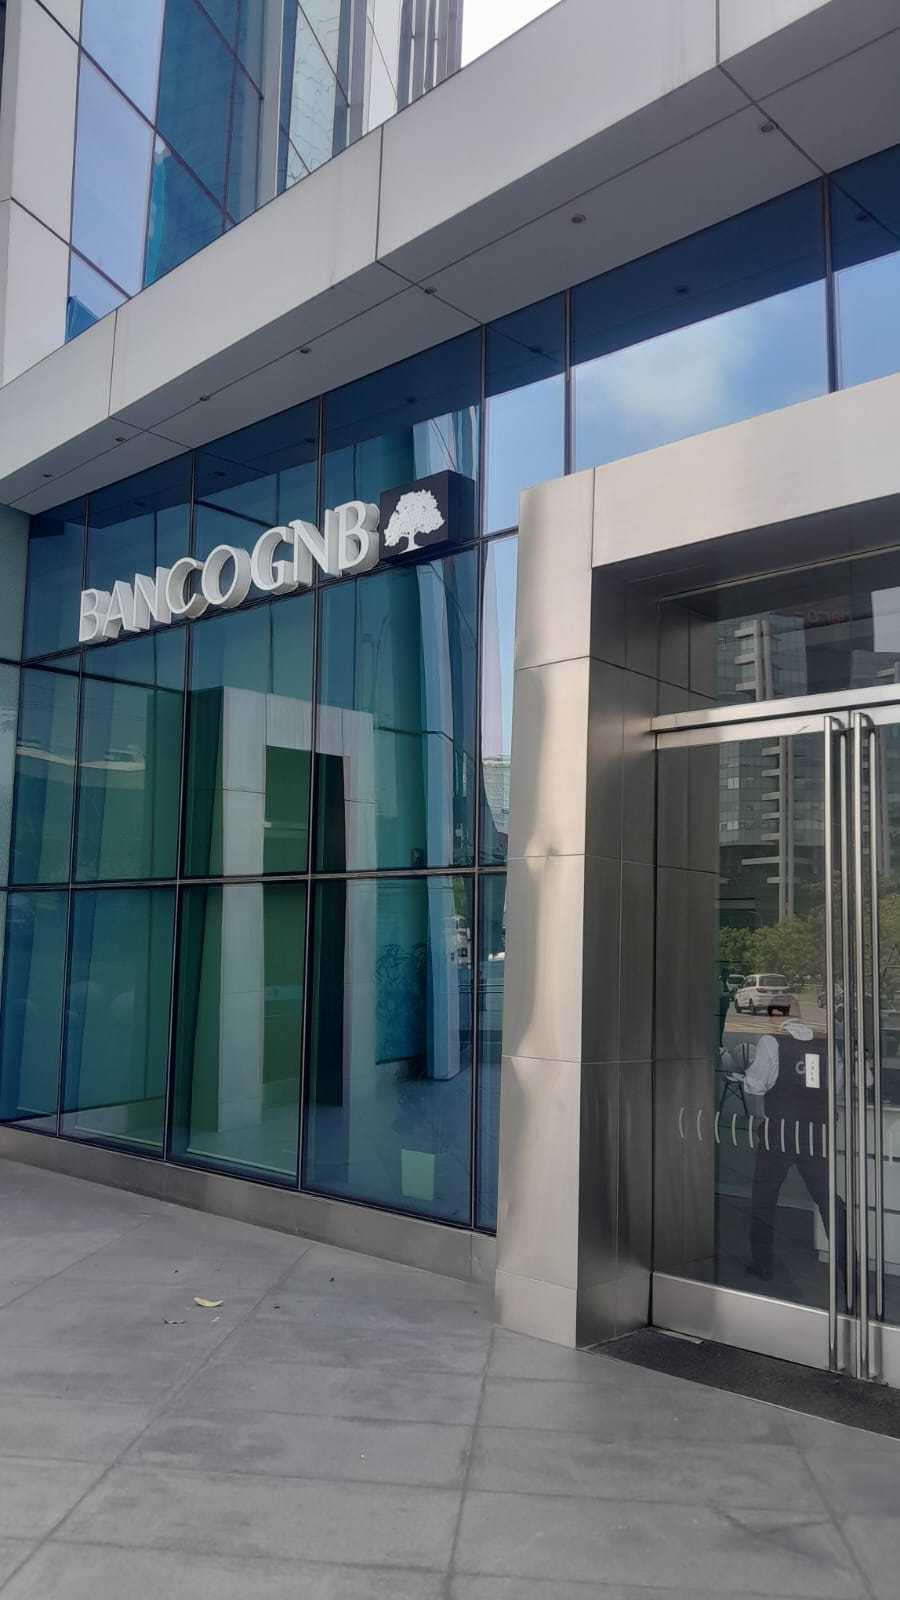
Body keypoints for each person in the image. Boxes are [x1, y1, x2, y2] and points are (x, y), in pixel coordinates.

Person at [736, 1017, 847, 1285]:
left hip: (780, 1134)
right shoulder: (826, 1044)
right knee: (828, 1201)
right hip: (816, 1134)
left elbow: (755, 1084)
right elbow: (837, 1085)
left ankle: (763, 1264)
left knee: (764, 1200)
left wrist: (745, 1074)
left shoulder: (771, 1042)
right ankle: (848, 1268)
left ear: (777, 1020)